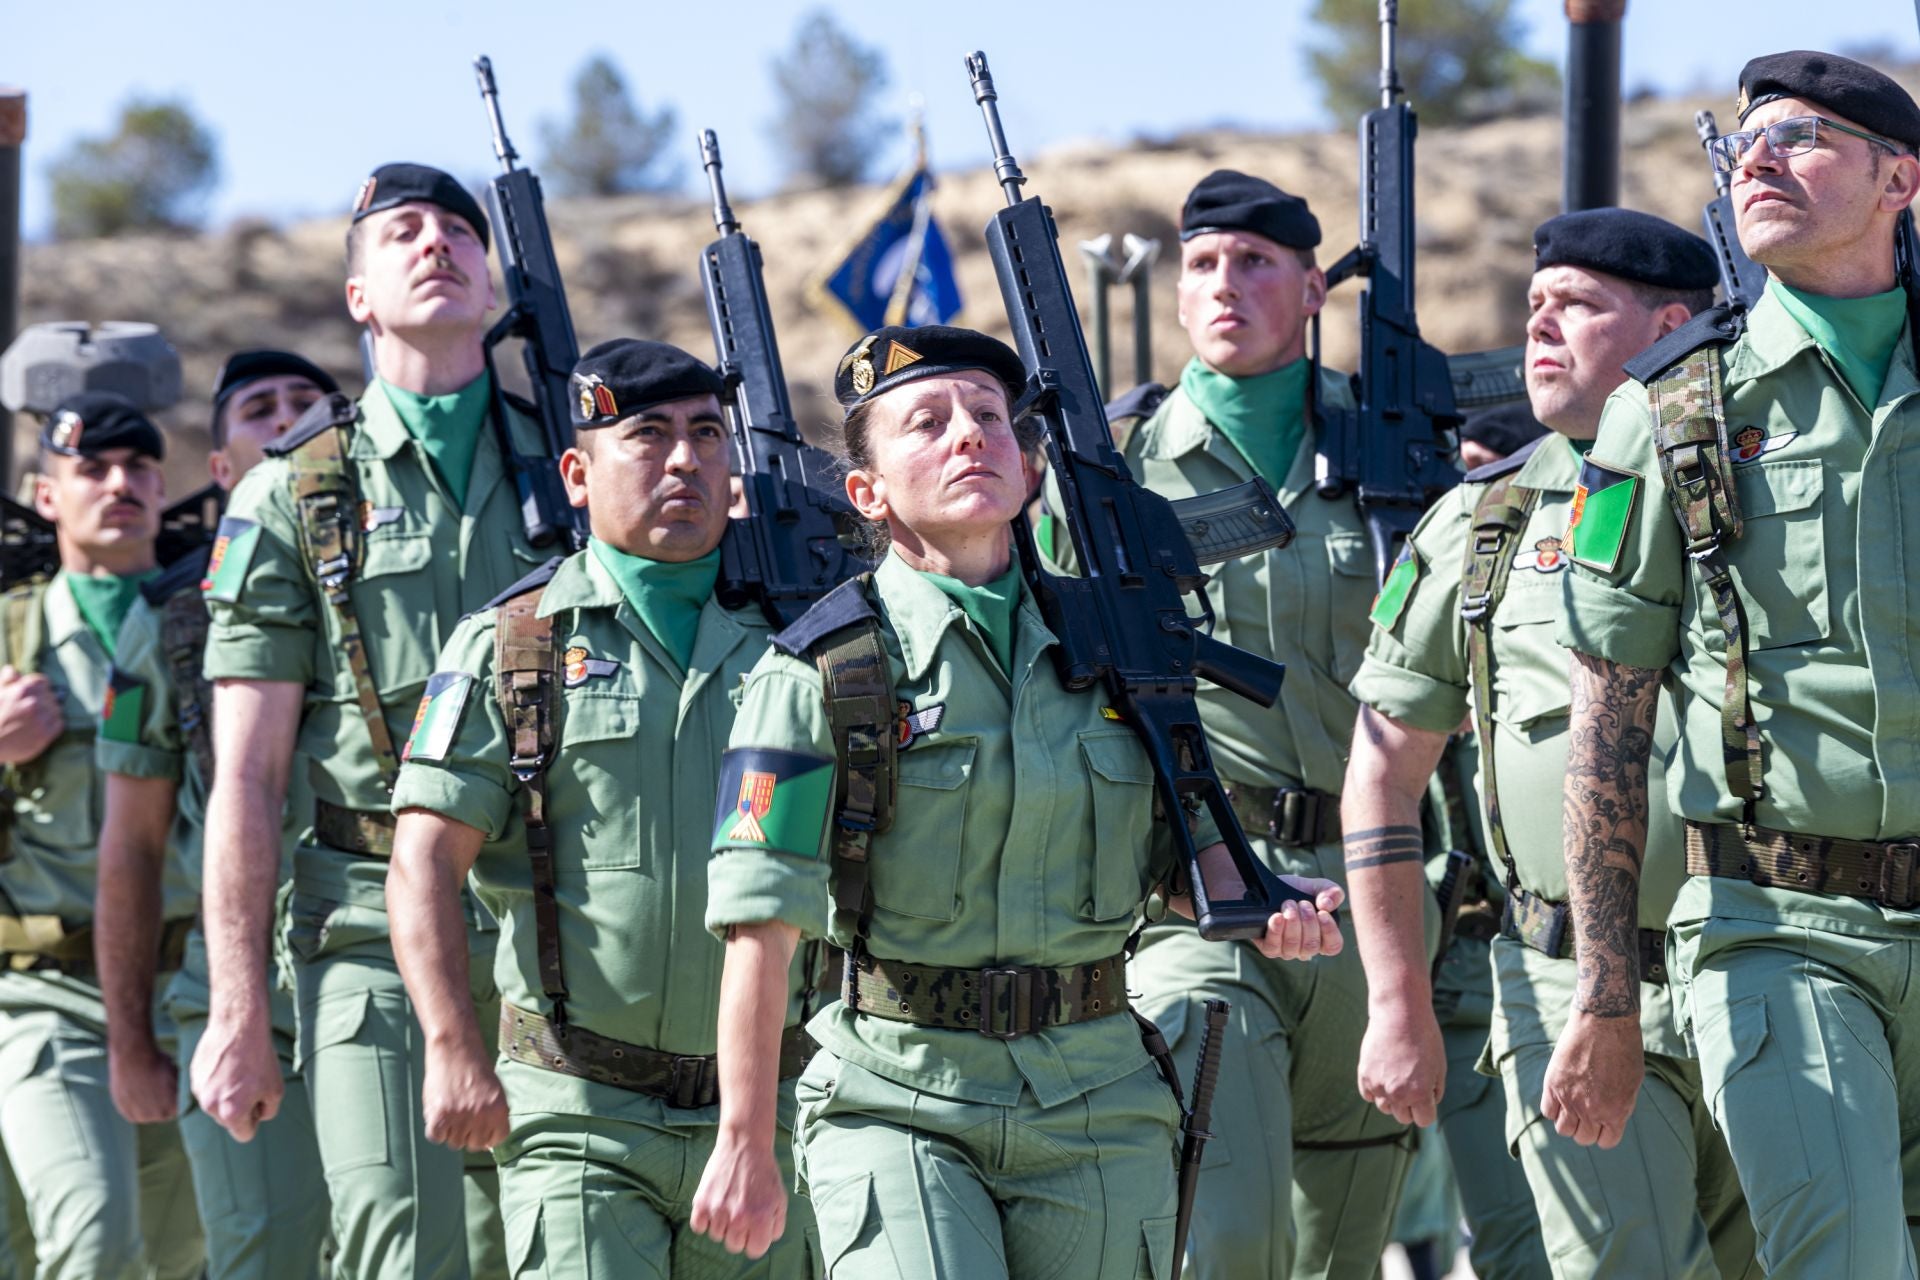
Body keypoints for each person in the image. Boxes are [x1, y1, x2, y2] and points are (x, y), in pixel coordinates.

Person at [690, 324, 1344, 1277]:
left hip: (1101, 1101)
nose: (969, 436)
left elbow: (1181, 854)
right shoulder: (819, 675)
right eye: (928, 422)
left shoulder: (1118, 649)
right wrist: (745, 1140)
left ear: (1028, 469)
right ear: (868, 493)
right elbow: (760, 926)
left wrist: (1265, 903)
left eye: (989, 416)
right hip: (899, 1098)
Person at [1552, 51, 1920, 1277]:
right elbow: (1607, 716)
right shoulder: (1672, 408)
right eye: (1747, 137)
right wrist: (1607, 995)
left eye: (1804, 137)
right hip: (1783, 924)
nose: (1759, 155)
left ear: (1898, 180)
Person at [1346, 206, 1762, 1278]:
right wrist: (1395, 1005)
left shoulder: (1771, 489)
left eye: (1577, 304)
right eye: (1535, 303)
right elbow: (1384, 776)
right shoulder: (1478, 524)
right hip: (1560, 976)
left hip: (1772, 957)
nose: (1541, 325)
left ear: (1673, 327)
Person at [192, 161, 558, 1278]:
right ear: (358, 295)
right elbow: (247, 778)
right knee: (404, 1252)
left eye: (458, 229)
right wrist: (238, 1006)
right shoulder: (295, 494)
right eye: (401, 232)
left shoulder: (574, 471)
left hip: (559, 924)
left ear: (495, 287)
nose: (436, 242)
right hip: (364, 930)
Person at [386, 338, 821, 1276]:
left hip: (767, 1117)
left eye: (708, 435)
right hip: (576, 1114)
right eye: (650, 435)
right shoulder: (514, 647)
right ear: (577, 473)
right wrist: (453, 1045)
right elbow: (422, 861)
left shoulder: (807, 646)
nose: (684, 460)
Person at [1089, 169, 1415, 1280]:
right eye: (1205, 264)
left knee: (1343, 1255)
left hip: (1383, 892)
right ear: (1177, 293)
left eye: (1257, 262)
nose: (1226, 283)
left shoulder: (1393, 463)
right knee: (1225, 1241)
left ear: (1315, 286)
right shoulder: (1115, 473)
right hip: (1205, 901)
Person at [95, 350, 338, 1279]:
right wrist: (132, 1042)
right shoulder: (165, 617)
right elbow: (133, 848)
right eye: (259, 409)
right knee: (261, 1252)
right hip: (239, 992)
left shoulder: (405, 579)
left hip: (392, 966)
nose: (285, 418)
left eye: (307, 404)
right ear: (226, 469)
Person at [0, 391, 203, 1278]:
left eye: (139, 468)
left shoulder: (212, 626)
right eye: (91, 469)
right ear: (46, 494)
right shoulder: (13, 632)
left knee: (179, 1256)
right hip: (44, 996)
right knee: (96, 1242)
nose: (119, 484)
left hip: (190, 992)